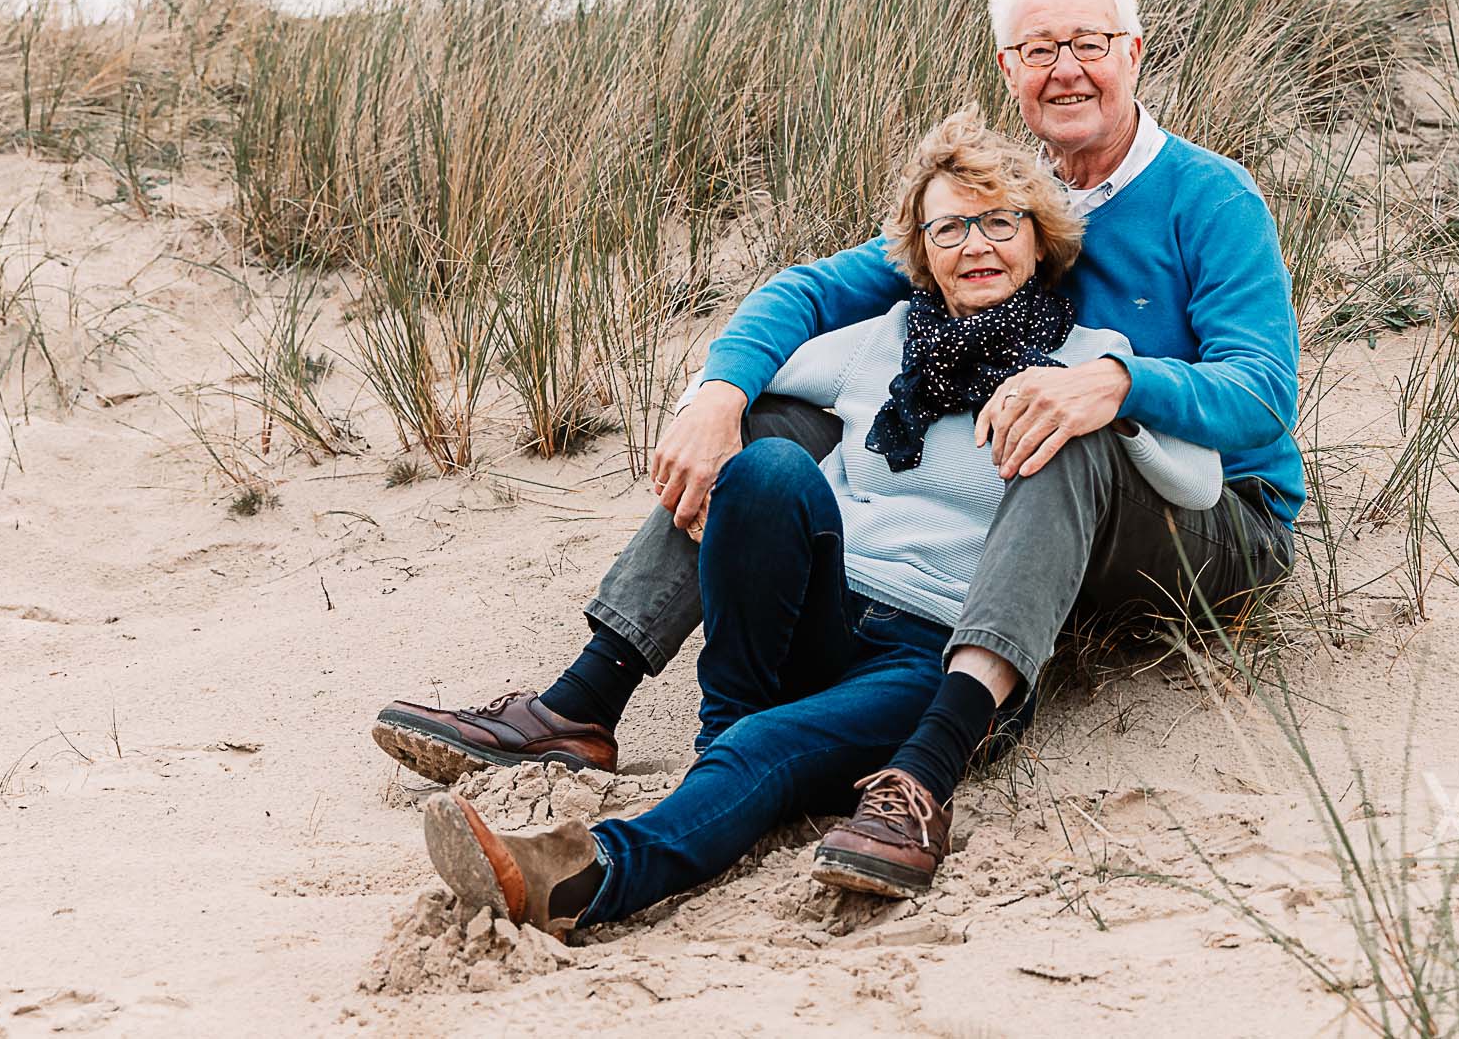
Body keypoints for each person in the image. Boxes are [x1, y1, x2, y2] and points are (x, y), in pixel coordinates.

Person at [375, 0, 1302, 899]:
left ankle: (931, 755)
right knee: (771, 428)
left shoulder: (1207, 198)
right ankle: (588, 698)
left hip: (1212, 511)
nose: (1065, 66)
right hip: (937, 561)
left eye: (1088, 43)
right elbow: (810, 293)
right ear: (1008, 70)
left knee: (1080, 431)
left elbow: (1263, 392)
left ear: (1134, 52)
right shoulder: (1006, 199)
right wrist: (718, 395)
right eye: (1038, 48)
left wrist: (1116, 380)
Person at [416, 112, 1221, 936]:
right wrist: (713, 403)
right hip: (826, 613)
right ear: (920, 251)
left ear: (1040, 238)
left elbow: (1198, 477)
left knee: (766, 747)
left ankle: (587, 875)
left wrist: (1107, 406)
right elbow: (747, 374)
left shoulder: (1091, 357)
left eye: (999, 221)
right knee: (764, 462)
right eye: (948, 226)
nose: (976, 244)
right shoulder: (883, 339)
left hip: (932, 658)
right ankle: (716, 737)